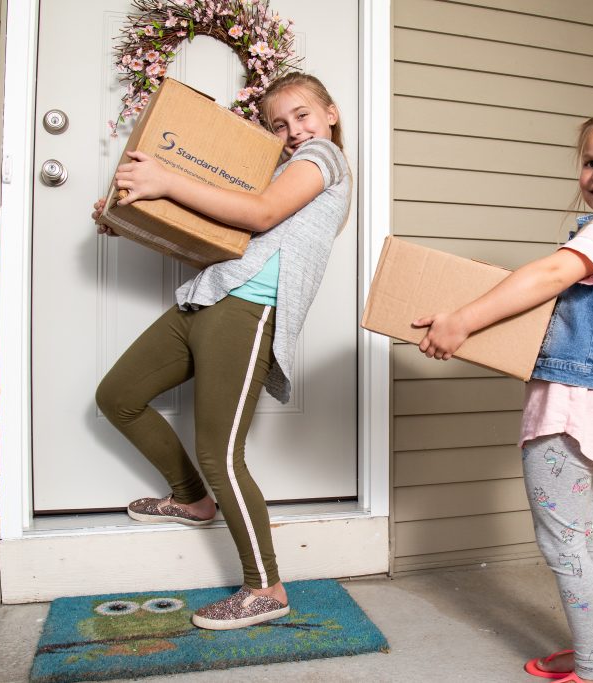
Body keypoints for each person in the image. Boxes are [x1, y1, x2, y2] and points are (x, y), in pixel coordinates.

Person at [413, 106, 593, 683]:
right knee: (584, 537)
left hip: (567, 407)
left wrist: (462, 319)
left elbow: (546, 278)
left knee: (563, 545)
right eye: (590, 161)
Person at [91, 72, 350, 630]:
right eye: (278, 125)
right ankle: (191, 499)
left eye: (302, 115)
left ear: (329, 114)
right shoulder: (274, 170)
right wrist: (131, 216)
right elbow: (218, 231)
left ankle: (266, 588)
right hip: (205, 299)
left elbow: (257, 217)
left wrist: (163, 181)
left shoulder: (325, 158)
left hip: (247, 311)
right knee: (118, 396)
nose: (294, 131)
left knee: (219, 452)